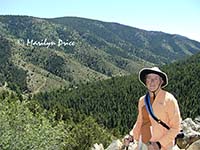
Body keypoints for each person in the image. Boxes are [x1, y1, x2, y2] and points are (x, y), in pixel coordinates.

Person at [129, 67, 182, 150]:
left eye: (155, 79)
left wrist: (159, 144)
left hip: (163, 146)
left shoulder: (169, 99)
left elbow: (176, 127)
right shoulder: (142, 100)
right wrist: (131, 136)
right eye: (149, 78)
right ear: (145, 82)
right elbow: (140, 121)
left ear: (161, 81)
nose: (152, 82)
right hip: (144, 144)